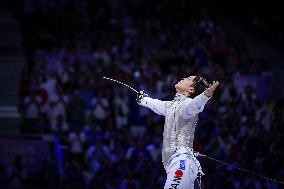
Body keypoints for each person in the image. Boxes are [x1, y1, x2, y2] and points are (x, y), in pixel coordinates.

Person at [137, 76, 219, 189]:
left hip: (181, 161)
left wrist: (206, 95)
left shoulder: (186, 105)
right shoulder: (173, 105)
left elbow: (194, 105)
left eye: (188, 79)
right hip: (176, 164)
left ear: (191, 90)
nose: (184, 78)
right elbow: (159, 105)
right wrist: (144, 100)